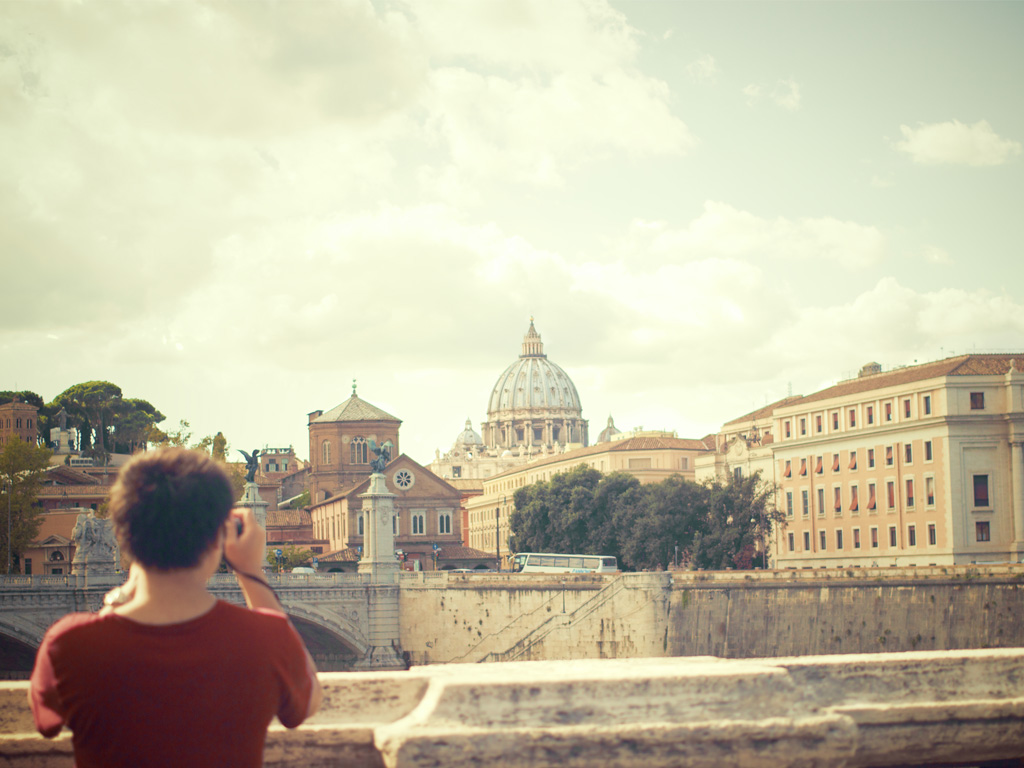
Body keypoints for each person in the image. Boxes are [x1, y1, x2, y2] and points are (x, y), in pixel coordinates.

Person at [29, 447, 322, 767]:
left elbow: (47, 722)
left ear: (122, 536)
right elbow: (305, 706)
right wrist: (250, 573)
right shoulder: (267, 638)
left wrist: (120, 598)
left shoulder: (69, 643)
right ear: (219, 538)